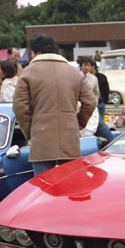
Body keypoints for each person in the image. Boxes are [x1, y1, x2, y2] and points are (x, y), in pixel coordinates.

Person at [13, 34, 95, 176]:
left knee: (44, 189)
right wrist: (78, 122)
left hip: (41, 139)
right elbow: (91, 102)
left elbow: (19, 106)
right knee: (71, 186)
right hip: (69, 136)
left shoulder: (28, 72)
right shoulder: (74, 72)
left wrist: (30, 130)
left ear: (35, 52)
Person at [90, 60, 114, 145]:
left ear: (93, 66)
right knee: (98, 124)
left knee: (101, 124)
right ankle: (101, 142)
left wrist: (104, 100)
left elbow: (106, 89)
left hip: (101, 103)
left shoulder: (101, 77)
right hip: (93, 105)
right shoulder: (86, 78)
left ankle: (104, 142)